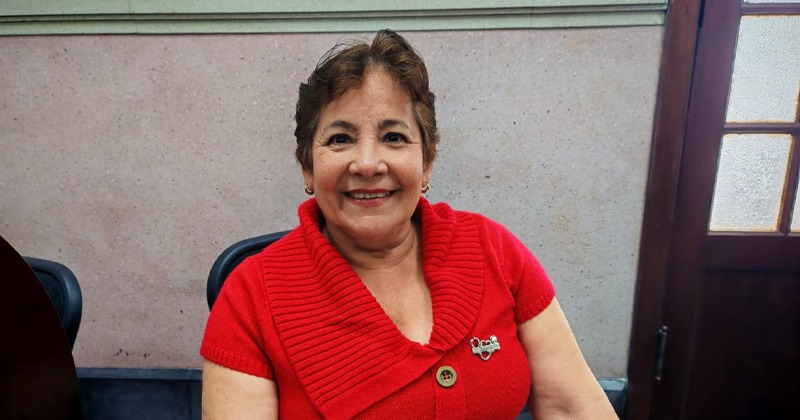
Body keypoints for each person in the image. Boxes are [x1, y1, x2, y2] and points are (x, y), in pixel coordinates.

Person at [201, 29, 617, 419]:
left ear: (427, 162)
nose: (368, 164)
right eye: (340, 139)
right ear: (307, 167)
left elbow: (573, 407)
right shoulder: (249, 299)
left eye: (394, 137)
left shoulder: (494, 249)